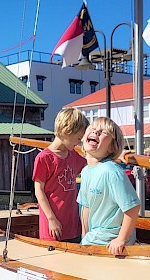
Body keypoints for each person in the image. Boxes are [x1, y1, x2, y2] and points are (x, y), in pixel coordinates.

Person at [78, 117, 140, 256]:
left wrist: (121, 239)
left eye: (103, 131)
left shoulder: (112, 172)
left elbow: (133, 207)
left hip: (110, 243)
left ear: (112, 146)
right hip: (93, 239)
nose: (96, 131)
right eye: (93, 128)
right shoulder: (86, 171)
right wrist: (85, 236)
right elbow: (85, 207)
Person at [32, 107, 89, 242]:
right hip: (53, 227)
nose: (79, 143)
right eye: (78, 138)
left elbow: (93, 162)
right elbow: (38, 191)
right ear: (65, 132)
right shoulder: (44, 158)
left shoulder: (73, 156)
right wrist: (51, 218)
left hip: (73, 225)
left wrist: (116, 154)